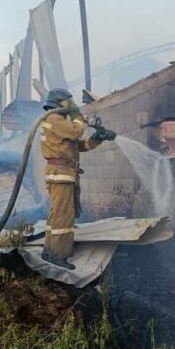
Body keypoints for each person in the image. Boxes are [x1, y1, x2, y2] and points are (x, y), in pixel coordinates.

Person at [40, 88, 116, 270]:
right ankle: (58, 255)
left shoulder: (57, 122)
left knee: (57, 213)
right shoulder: (54, 119)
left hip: (62, 173)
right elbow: (76, 132)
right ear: (59, 101)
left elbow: (78, 145)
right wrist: (77, 116)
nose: (72, 104)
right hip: (60, 174)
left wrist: (97, 138)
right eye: (69, 101)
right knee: (64, 216)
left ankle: (49, 250)